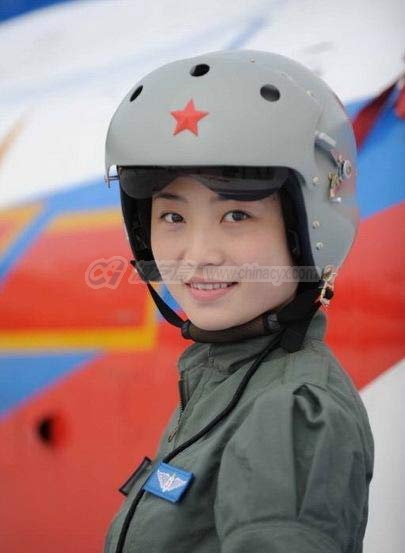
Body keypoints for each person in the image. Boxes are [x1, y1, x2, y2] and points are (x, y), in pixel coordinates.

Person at [103, 49, 374, 553]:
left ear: (304, 232)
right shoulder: (224, 376)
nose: (198, 255)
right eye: (172, 217)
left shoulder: (289, 413)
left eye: (236, 216)